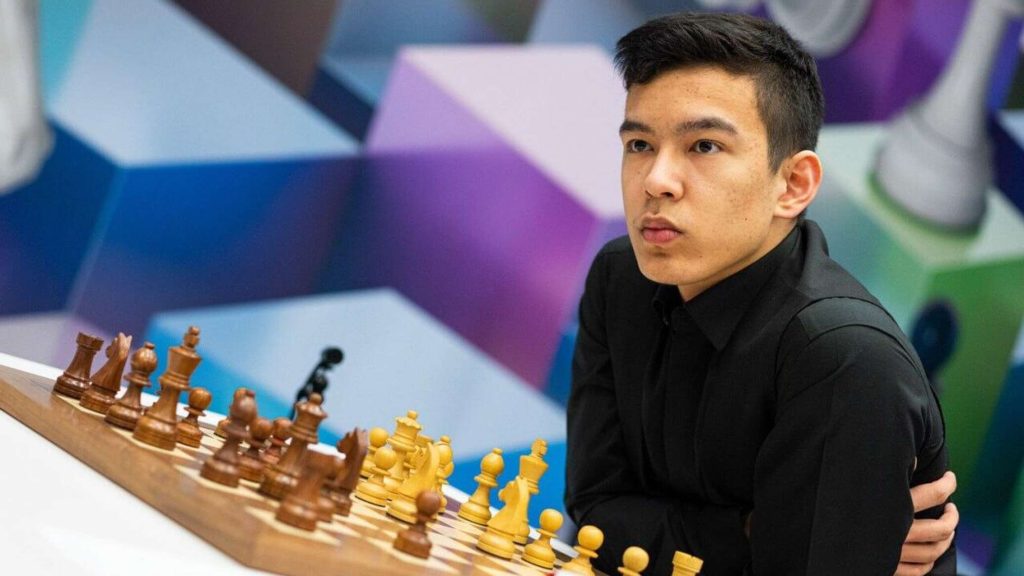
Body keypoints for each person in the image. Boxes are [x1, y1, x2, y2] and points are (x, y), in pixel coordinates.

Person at [565, 12, 958, 576]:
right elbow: (594, 513)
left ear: (793, 184)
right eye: (640, 144)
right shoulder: (621, 278)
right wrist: (757, 533)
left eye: (703, 145)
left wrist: (779, 541)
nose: (656, 180)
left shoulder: (845, 357)